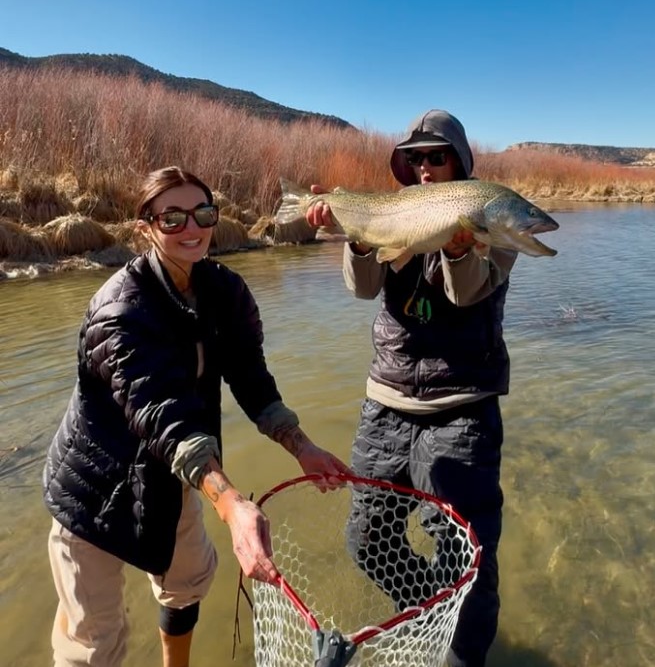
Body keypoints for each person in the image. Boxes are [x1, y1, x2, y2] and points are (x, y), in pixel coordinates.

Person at [43, 166, 350, 667]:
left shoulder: (226, 292)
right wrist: (231, 506)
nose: (192, 228)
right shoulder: (119, 310)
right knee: (92, 642)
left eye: (203, 214)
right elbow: (165, 420)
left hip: (177, 474)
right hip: (94, 490)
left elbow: (252, 379)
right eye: (173, 218)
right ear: (145, 228)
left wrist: (303, 447)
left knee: (187, 583)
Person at [306, 110, 517, 667]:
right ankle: (433, 616)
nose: (425, 166)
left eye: (437, 157)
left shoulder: (488, 213)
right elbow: (363, 288)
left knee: (464, 556)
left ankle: (463, 652)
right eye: (416, 158)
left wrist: (456, 248)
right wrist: (354, 237)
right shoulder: (392, 209)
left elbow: (466, 295)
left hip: (462, 405)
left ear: (460, 162)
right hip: (387, 402)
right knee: (366, 539)